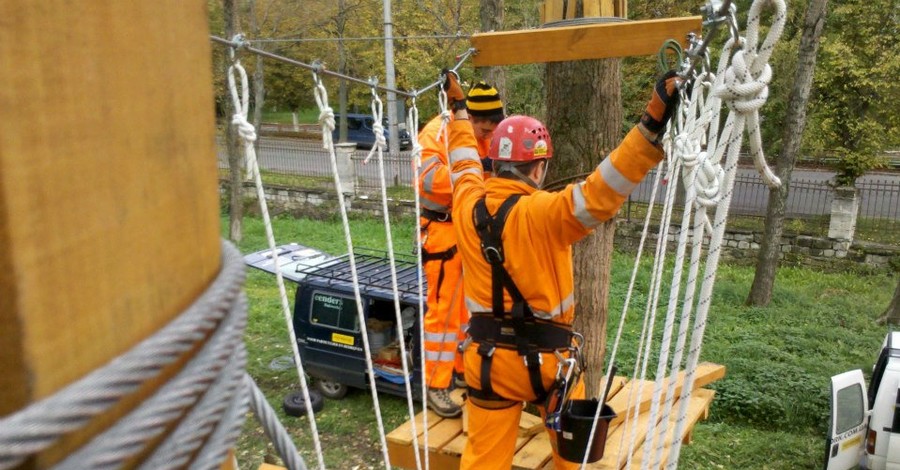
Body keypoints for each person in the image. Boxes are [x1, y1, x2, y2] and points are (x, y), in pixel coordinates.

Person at [442, 70, 680, 469]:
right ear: (538, 169)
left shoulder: (466, 204)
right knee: (574, 460)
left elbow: (463, 160)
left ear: (494, 162)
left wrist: (459, 111)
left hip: (487, 363)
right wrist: (651, 124)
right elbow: (603, 191)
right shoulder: (545, 213)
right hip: (548, 364)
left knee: (482, 462)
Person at [416, 76, 505, 418]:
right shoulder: (437, 132)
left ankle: (461, 371)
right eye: (484, 132)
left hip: (467, 228)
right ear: (472, 120)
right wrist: (474, 173)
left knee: (468, 311)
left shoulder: (479, 133)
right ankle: (435, 385)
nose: (486, 139)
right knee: (443, 311)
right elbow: (428, 181)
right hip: (441, 230)